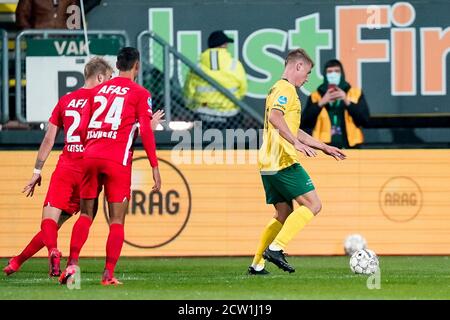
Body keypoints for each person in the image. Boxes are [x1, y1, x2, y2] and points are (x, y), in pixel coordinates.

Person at [3, 57, 114, 277]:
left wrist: (37, 171)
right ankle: (24, 261)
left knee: (49, 222)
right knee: (79, 218)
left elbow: (48, 139)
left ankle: (42, 254)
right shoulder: (104, 101)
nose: (110, 83)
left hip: (66, 167)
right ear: (100, 77)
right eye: (109, 78)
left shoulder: (66, 100)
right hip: (90, 169)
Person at [248, 49, 346, 275]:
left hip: (268, 162)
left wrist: (323, 146)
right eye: (308, 72)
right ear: (298, 66)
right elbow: (275, 117)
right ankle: (276, 249)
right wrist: (294, 143)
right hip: (282, 159)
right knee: (313, 205)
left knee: (282, 214)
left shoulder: (276, 88)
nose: (308, 78)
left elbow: (292, 128)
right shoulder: (286, 89)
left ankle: (257, 264)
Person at [70, 47, 161, 286]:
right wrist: (154, 166)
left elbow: (80, 128)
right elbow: (146, 132)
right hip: (116, 160)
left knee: (86, 214)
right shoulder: (140, 93)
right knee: (117, 221)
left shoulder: (97, 90)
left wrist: (88, 148)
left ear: (117, 65)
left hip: (89, 155)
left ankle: (72, 265)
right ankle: (108, 274)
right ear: (136, 66)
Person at [184, 30, 247, 129]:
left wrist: (192, 106)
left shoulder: (197, 67)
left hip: (202, 114)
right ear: (224, 45)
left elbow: (189, 90)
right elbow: (243, 89)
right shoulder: (235, 65)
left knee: (199, 141)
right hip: (229, 114)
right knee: (232, 141)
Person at [300, 59, 370, 149]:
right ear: (325, 75)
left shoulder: (355, 93)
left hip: (351, 145)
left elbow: (365, 120)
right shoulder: (316, 95)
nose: (333, 75)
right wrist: (321, 102)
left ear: (342, 74)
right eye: (329, 72)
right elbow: (305, 122)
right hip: (324, 146)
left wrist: (346, 101)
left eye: (337, 71)